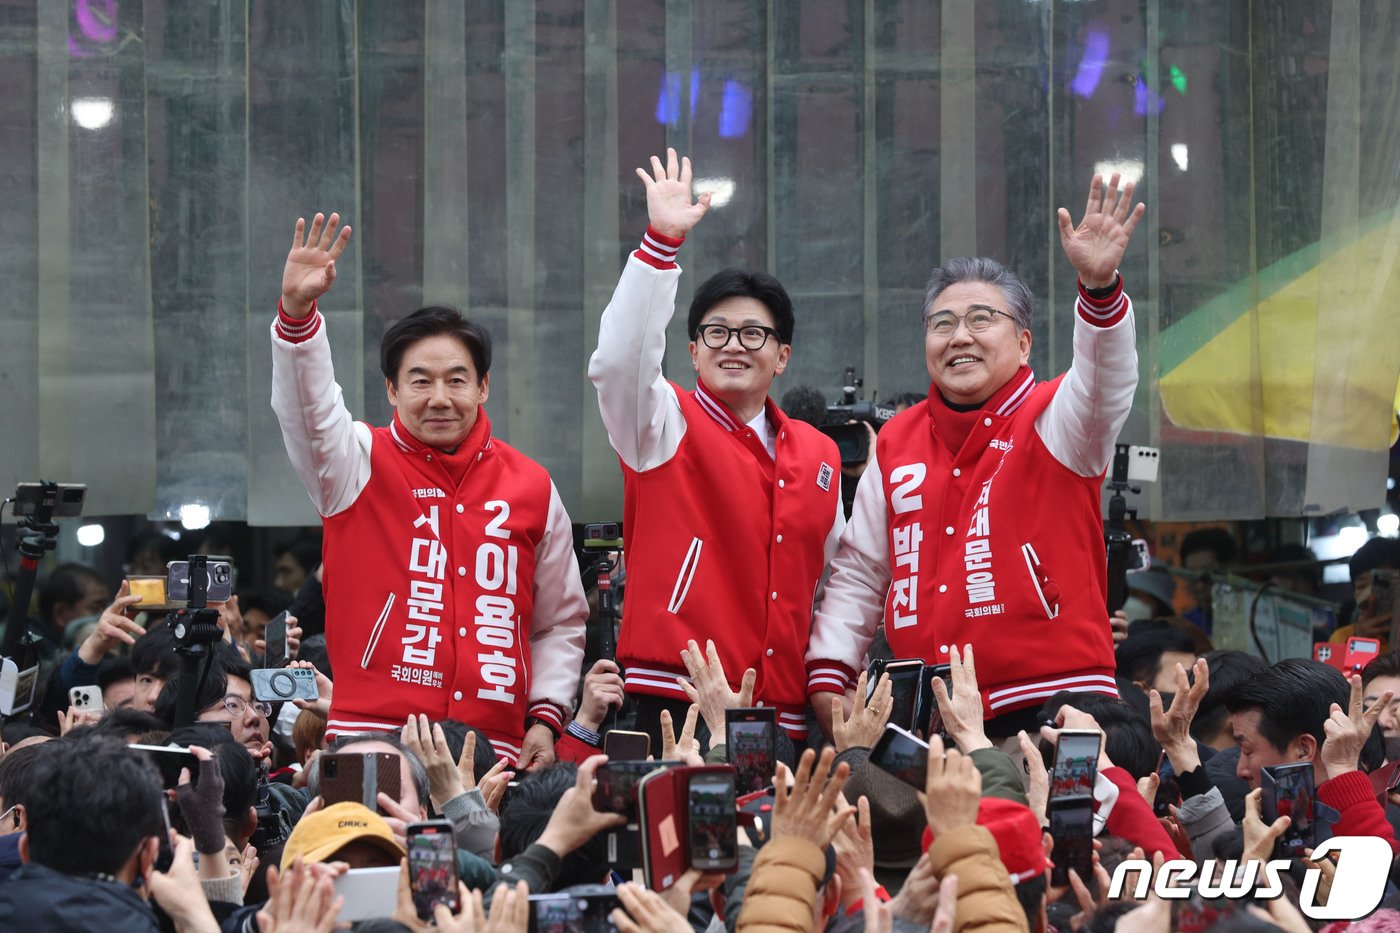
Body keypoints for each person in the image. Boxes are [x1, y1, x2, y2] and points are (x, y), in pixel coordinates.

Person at [808, 173, 1145, 741]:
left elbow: (1106, 383)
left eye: (982, 319)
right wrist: (831, 676)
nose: (959, 335)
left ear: (1024, 342)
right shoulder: (894, 443)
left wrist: (1100, 287)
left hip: (1052, 706)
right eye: (942, 323)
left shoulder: (1057, 417)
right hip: (926, 719)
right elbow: (861, 575)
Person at [271, 212, 588, 767]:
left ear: (484, 386)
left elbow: (559, 621)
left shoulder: (532, 485)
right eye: (420, 380)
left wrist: (545, 714)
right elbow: (308, 413)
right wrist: (298, 318)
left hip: (494, 748)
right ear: (392, 390)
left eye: (456, 379)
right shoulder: (354, 462)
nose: (439, 397)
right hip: (374, 739)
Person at [588, 150, 844, 743]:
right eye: (716, 333)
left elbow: (834, 583)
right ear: (693, 351)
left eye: (754, 333)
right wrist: (660, 246)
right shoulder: (659, 420)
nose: (735, 345)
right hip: (672, 702)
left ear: (783, 355)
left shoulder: (819, 454)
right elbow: (619, 363)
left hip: (785, 714)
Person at [1330, 536, 1400, 650]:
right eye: (1362, 586)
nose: (1370, 596)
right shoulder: (1341, 639)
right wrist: (1360, 642)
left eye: (1382, 584)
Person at [1178, 526, 1238, 635]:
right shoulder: (1185, 626)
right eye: (1192, 576)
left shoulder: (1254, 618)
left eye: (1209, 575)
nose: (1200, 586)